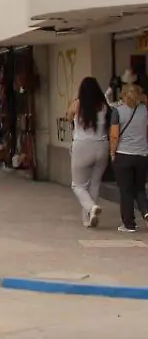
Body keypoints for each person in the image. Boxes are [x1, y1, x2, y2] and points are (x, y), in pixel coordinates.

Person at [64, 77, 113, 227]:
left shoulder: (78, 104)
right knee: (95, 183)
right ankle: (88, 217)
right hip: (102, 146)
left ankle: (91, 208)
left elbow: (68, 117)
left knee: (77, 185)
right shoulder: (104, 105)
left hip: (82, 146)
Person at [110, 83, 148, 233]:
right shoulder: (144, 110)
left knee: (125, 190)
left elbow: (114, 135)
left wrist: (112, 152)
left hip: (124, 155)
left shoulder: (117, 111)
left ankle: (128, 223)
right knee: (139, 188)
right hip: (142, 156)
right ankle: (146, 212)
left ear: (122, 95)